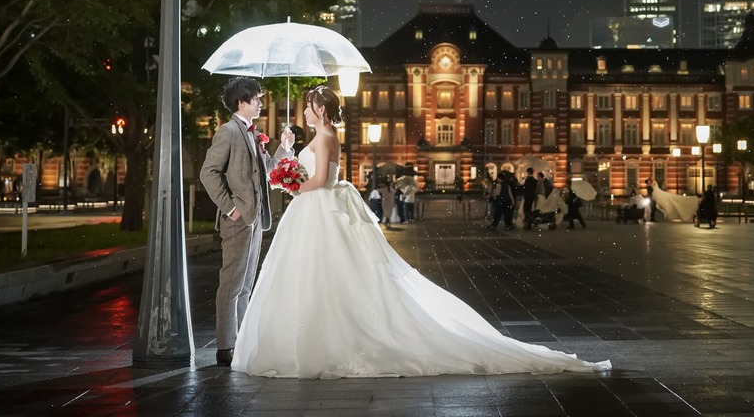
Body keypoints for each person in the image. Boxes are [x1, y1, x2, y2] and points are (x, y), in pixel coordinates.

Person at [232, 86, 609, 378]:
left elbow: (317, 178)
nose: (307, 111)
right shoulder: (318, 137)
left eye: (312, 106)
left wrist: (294, 187)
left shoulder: (328, 137)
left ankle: (331, 338)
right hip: (313, 212)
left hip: (319, 209)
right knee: (315, 276)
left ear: (324, 110)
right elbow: (299, 170)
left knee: (331, 274)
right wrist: (285, 152)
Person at [199, 77, 293, 367]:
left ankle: (237, 341)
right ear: (241, 102)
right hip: (238, 219)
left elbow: (266, 171)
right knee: (231, 283)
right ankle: (225, 347)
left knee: (245, 284)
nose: (261, 103)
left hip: (255, 219)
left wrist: (284, 148)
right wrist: (231, 209)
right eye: (257, 99)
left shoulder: (252, 134)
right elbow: (208, 172)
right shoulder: (228, 132)